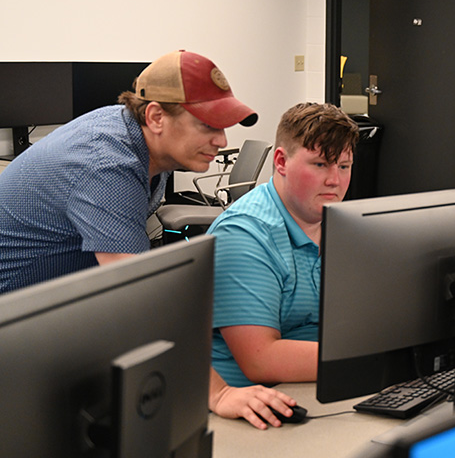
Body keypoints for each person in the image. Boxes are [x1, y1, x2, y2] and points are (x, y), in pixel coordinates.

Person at [0, 50, 296, 429]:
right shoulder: (106, 165)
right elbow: (139, 300)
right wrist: (218, 393)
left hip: (54, 310)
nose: (222, 140)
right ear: (156, 117)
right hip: (17, 326)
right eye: (208, 125)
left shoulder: (135, 138)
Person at [209, 102, 359, 388]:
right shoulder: (244, 235)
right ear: (281, 162)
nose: (335, 181)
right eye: (320, 165)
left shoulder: (338, 226)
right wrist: (379, 357)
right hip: (255, 404)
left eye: (344, 166)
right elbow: (261, 359)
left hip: (315, 387)